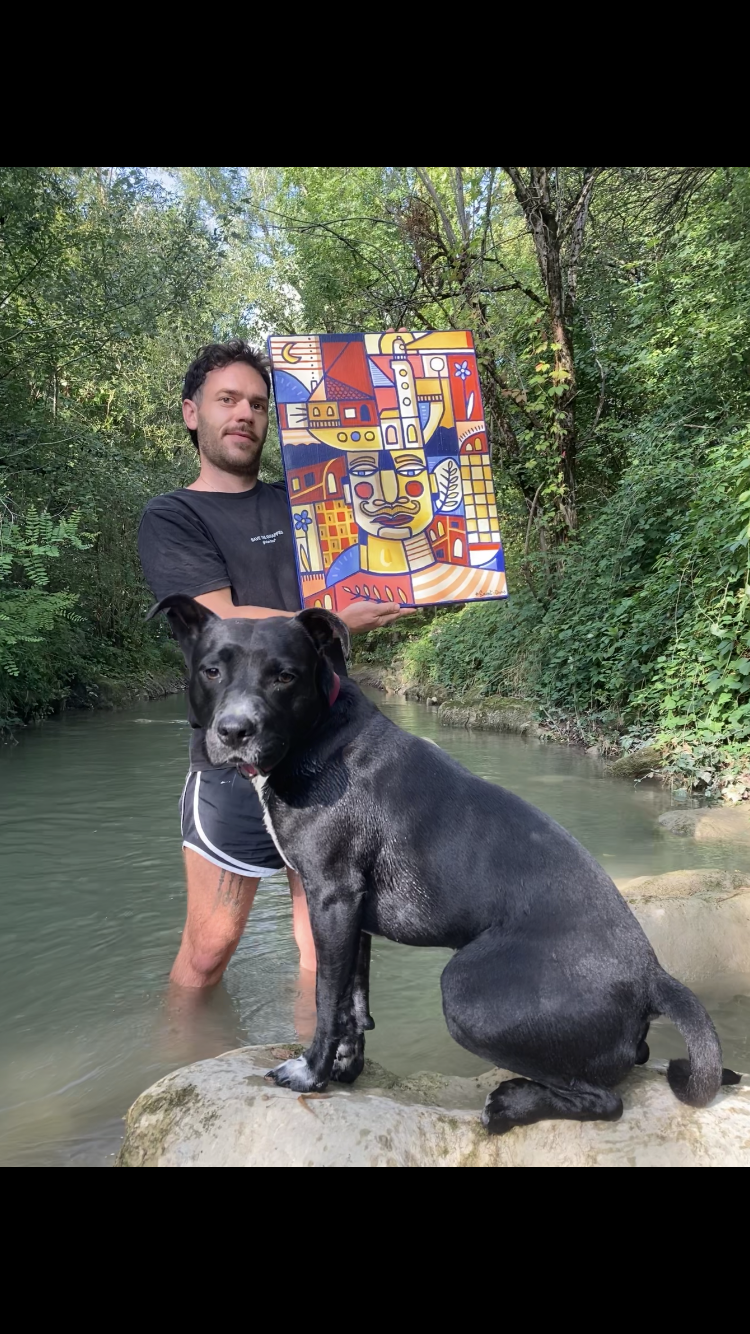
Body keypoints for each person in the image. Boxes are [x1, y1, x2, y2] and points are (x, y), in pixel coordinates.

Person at [138, 340, 406, 989]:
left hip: (327, 751)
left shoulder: (308, 504)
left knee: (325, 945)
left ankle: (316, 1084)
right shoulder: (173, 516)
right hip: (233, 753)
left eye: (258, 403)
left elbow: (387, 533)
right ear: (190, 412)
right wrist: (332, 610)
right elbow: (220, 623)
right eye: (227, 399)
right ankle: (182, 1081)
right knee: (209, 950)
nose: (245, 414)